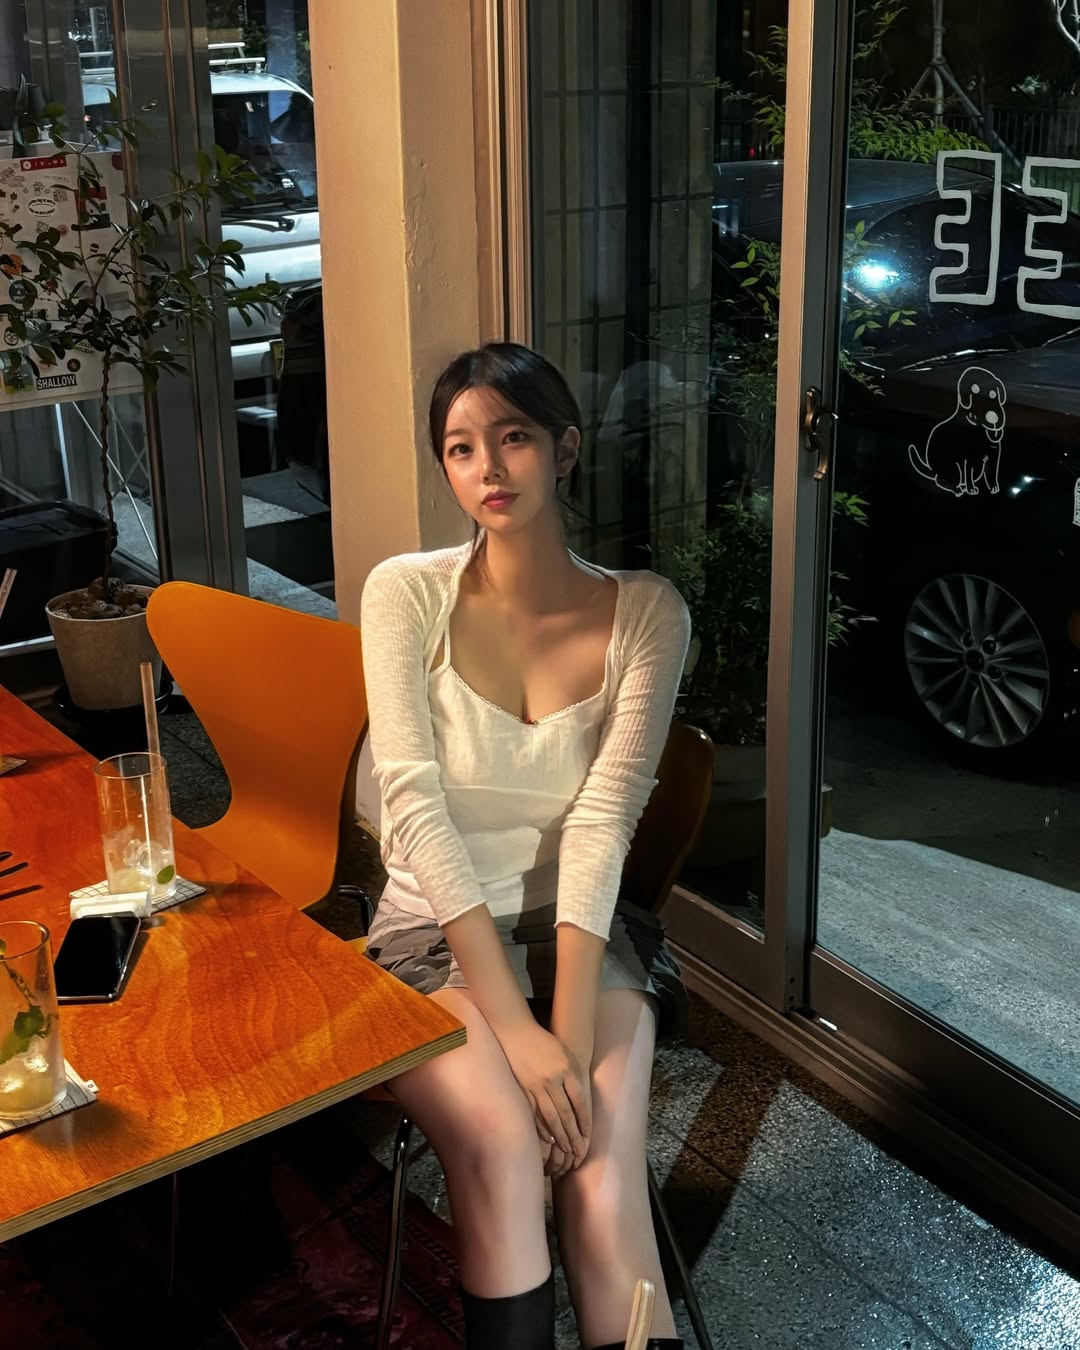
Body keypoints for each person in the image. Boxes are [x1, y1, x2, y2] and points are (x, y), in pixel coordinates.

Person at [361, 342, 692, 1350]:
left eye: (513, 437)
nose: (489, 468)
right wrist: (516, 1029)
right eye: (461, 448)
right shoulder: (405, 592)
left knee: (599, 1168)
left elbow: (603, 822)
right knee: (506, 1141)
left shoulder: (647, 611)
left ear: (565, 448)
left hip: (583, 928)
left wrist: (570, 1038)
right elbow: (414, 810)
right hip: (433, 929)